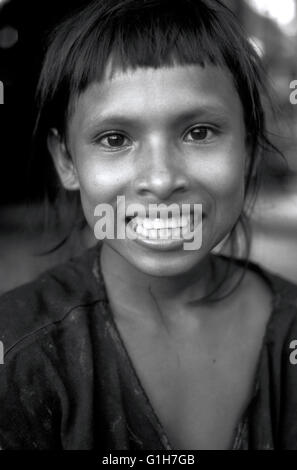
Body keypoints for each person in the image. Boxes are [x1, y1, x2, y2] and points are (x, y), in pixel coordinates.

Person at [0, 0, 296, 450]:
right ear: (67, 160)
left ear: (249, 150)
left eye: (199, 132)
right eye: (115, 139)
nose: (160, 180)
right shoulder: (18, 352)